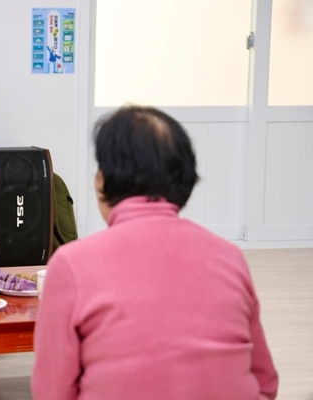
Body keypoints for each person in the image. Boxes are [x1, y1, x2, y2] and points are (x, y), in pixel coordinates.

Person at [31, 105, 279, 399]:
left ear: (103, 180)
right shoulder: (230, 257)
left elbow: (52, 392)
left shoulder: (72, 264)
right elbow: (266, 383)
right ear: (184, 181)